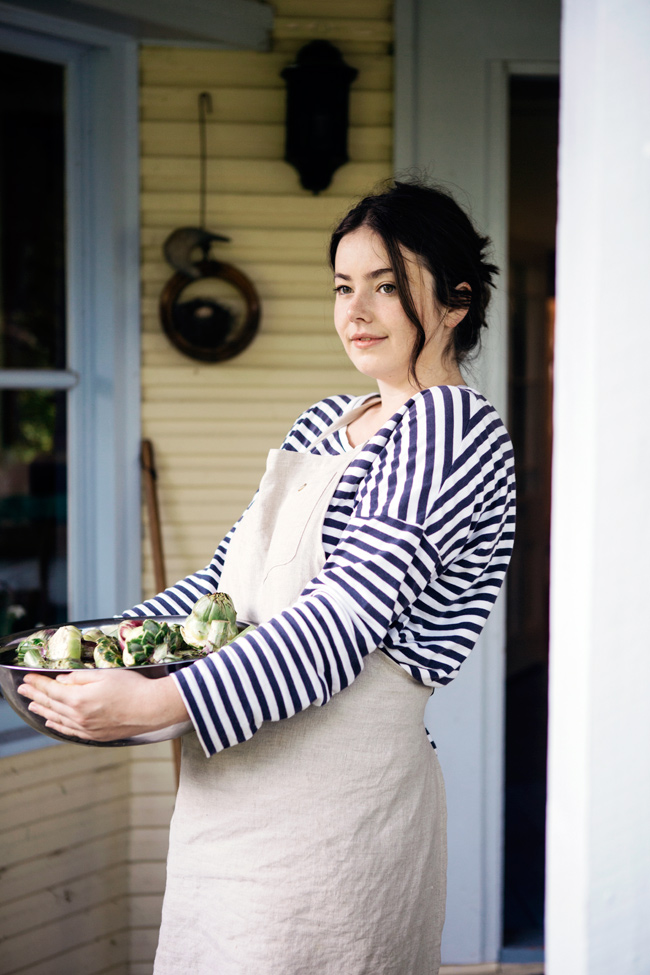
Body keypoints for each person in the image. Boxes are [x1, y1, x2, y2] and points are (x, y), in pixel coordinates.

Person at [19, 180, 516, 975]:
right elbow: (223, 591)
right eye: (343, 287)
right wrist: (107, 647)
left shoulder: (451, 433)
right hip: (232, 802)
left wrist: (161, 700)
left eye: (387, 287)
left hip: (334, 817)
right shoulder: (326, 422)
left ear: (455, 302)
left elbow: (339, 624)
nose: (356, 312)